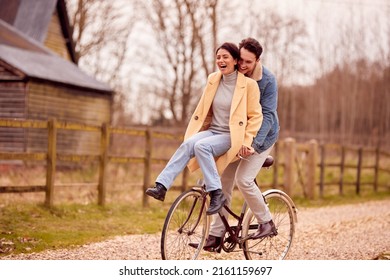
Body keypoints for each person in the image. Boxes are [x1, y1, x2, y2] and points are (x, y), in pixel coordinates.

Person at [145, 42, 263, 216]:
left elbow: (255, 116)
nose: (220, 60)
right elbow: (206, 109)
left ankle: (216, 193)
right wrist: (200, 130)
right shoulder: (213, 79)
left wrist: (247, 141)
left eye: (225, 57)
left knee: (202, 147)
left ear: (236, 61)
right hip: (213, 130)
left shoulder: (249, 85)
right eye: (218, 57)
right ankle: (162, 186)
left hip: (232, 135)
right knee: (188, 144)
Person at [200, 37, 280, 251]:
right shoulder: (231, 77)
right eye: (241, 60)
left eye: (248, 62)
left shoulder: (267, 81)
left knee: (243, 180)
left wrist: (253, 143)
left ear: (257, 61)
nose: (243, 66)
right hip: (237, 137)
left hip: (261, 138)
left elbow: (268, 116)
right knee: (223, 182)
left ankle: (267, 221)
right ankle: (216, 236)